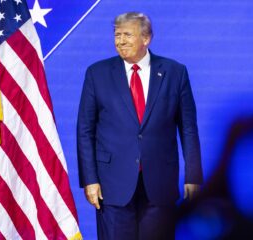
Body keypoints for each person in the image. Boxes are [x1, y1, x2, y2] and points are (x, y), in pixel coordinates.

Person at [77, 12, 203, 240]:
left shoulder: (175, 72)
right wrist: (90, 180)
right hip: (111, 186)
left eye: (127, 34)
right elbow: (85, 131)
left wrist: (193, 176)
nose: (120, 41)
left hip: (160, 184)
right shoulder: (97, 74)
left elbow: (188, 128)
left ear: (146, 39)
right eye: (117, 35)